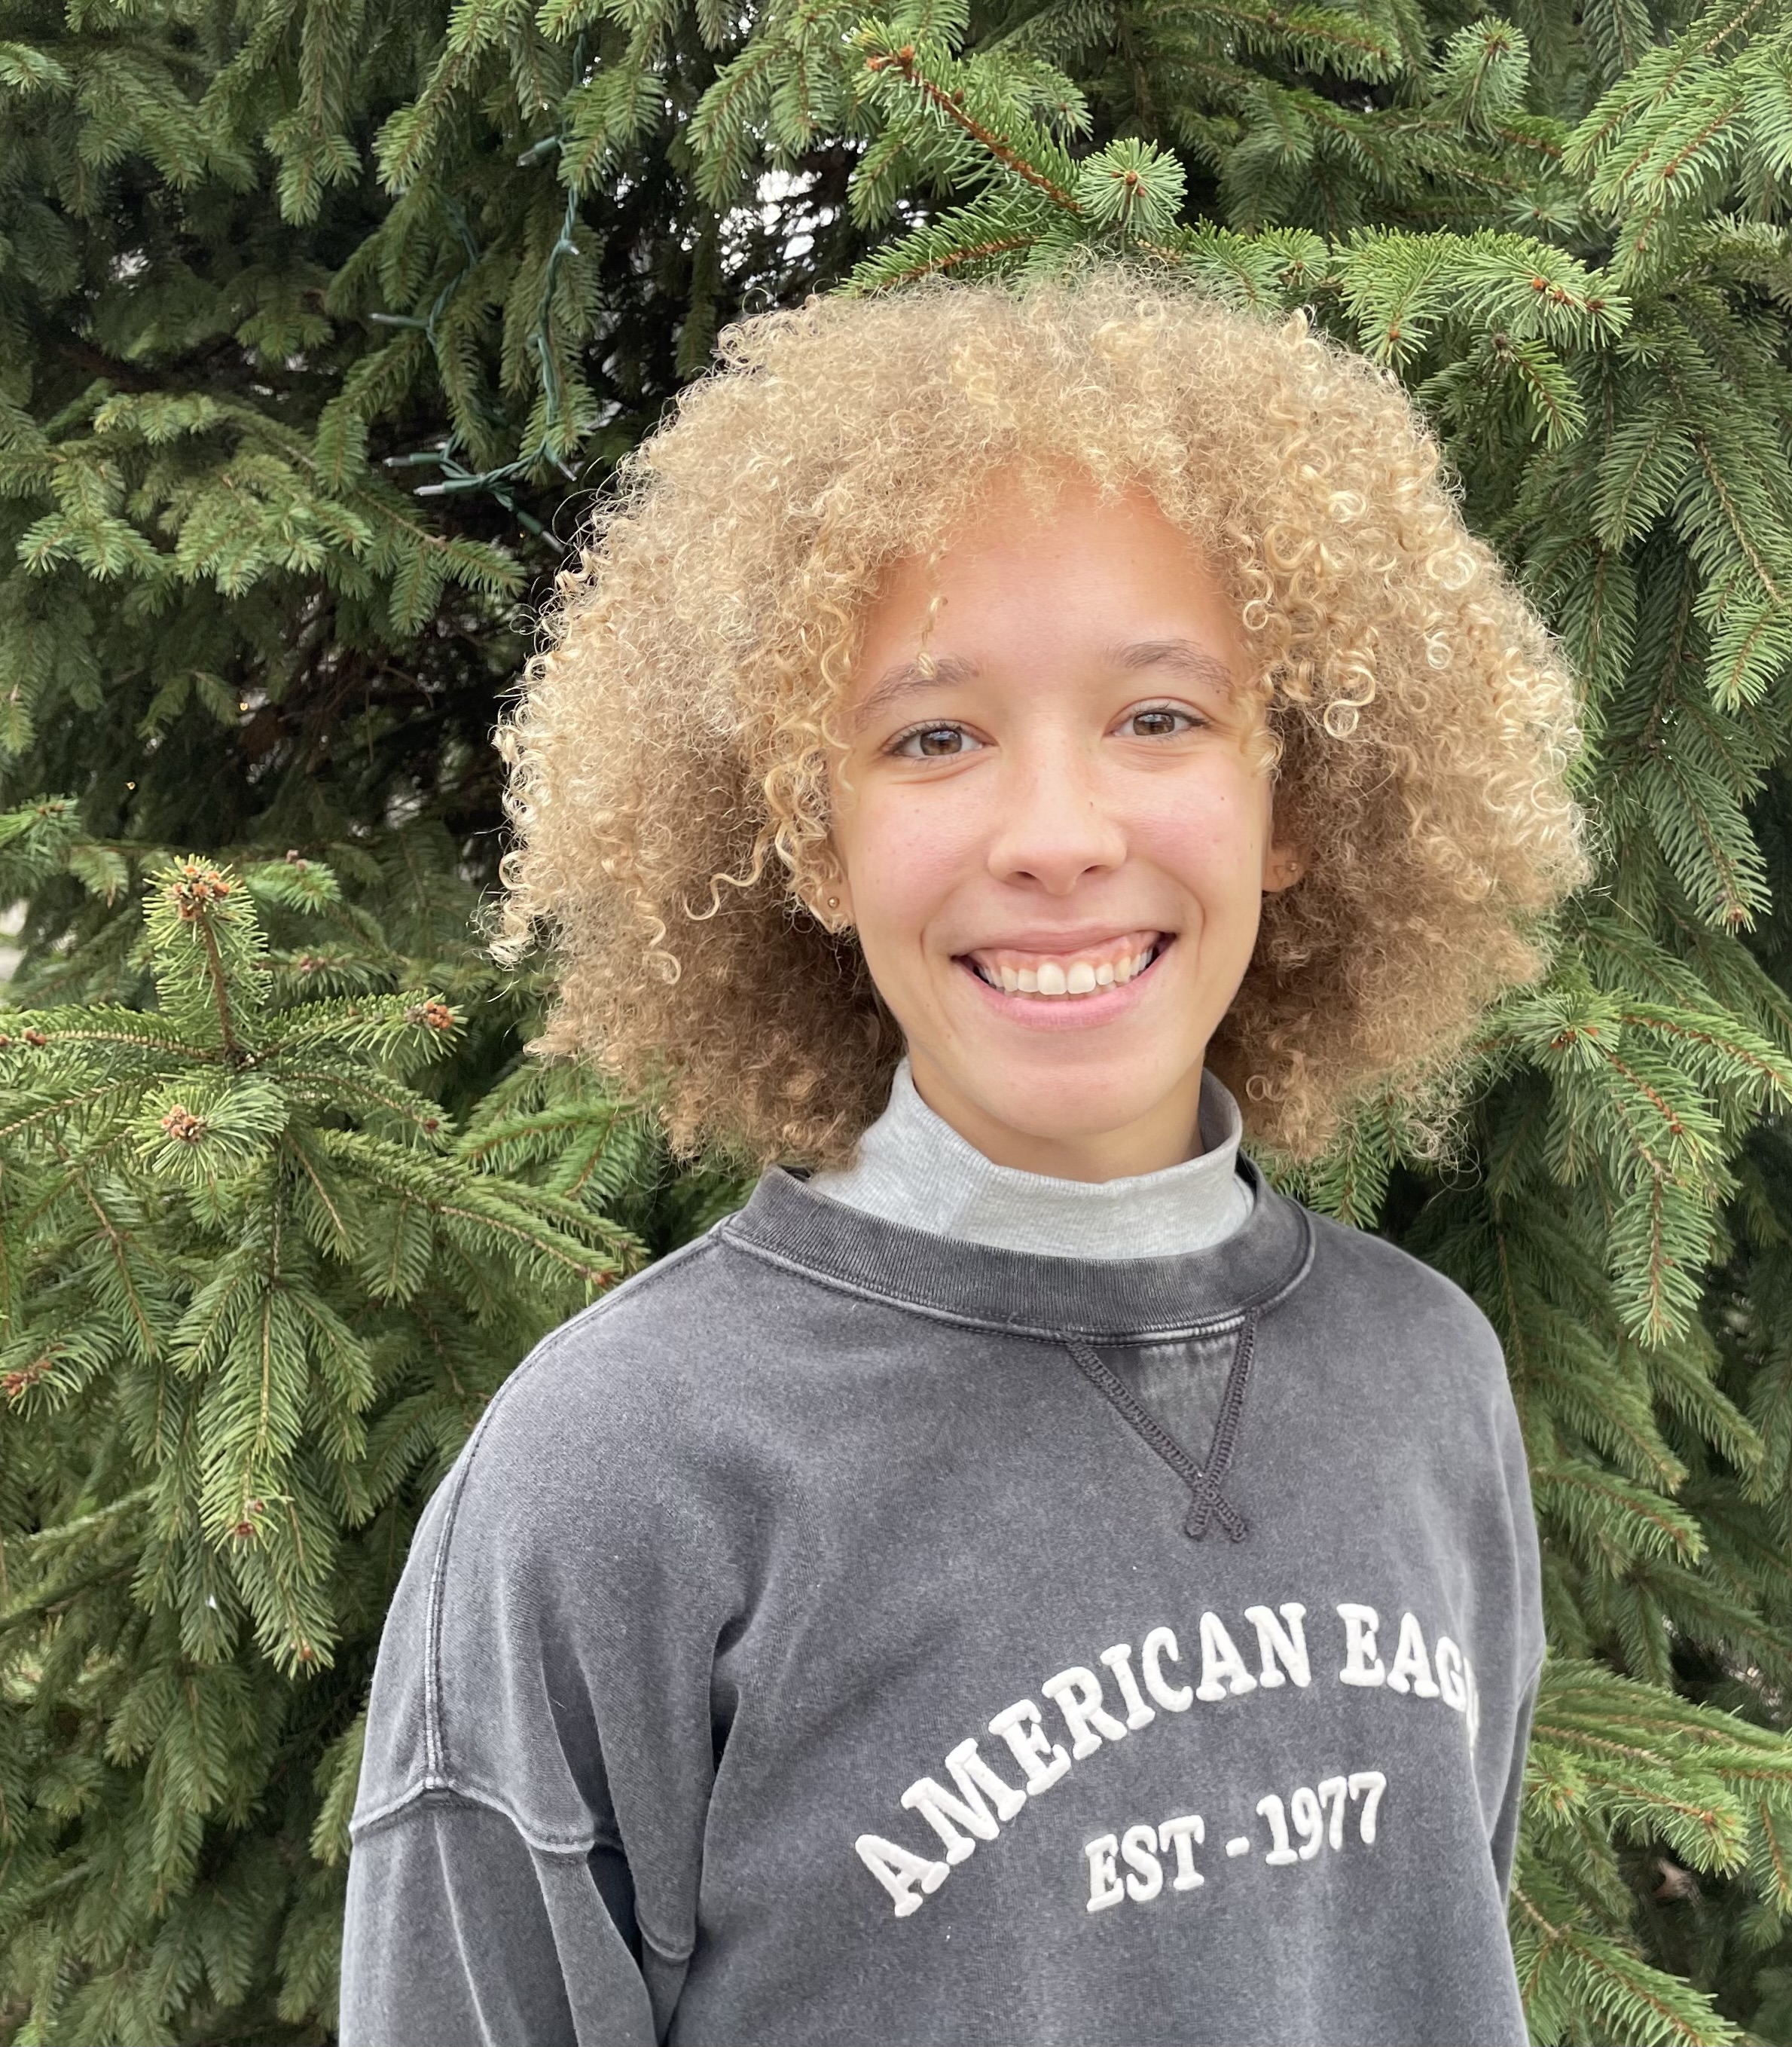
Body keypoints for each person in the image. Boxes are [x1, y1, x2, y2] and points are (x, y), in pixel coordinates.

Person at [337, 265, 1589, 2047]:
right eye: (934, 737)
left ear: (1292, 803)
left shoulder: (1426, 1382)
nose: (1058, 835)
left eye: (1157, 717)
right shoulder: (621, 1473)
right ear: (809, 840)